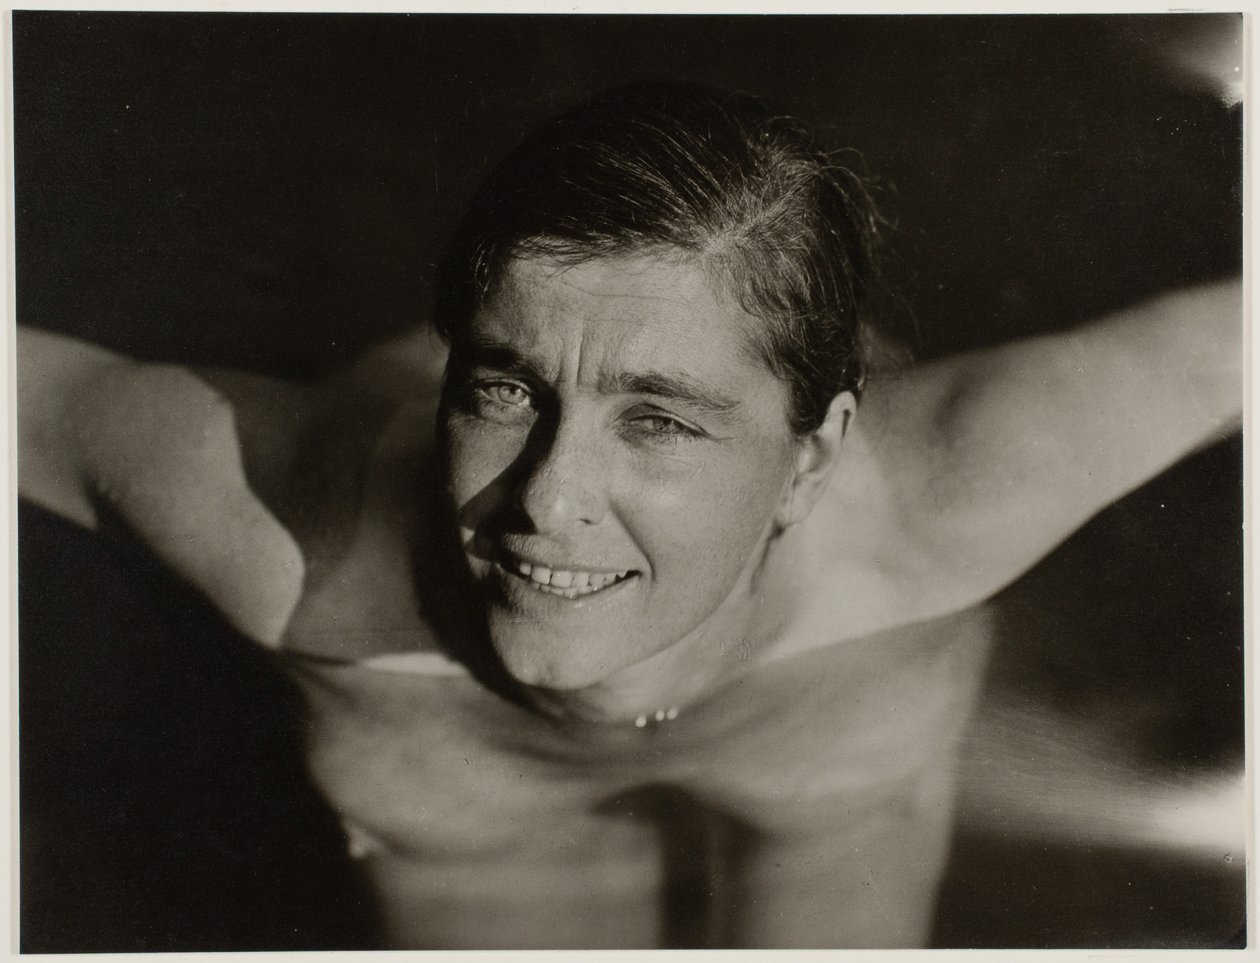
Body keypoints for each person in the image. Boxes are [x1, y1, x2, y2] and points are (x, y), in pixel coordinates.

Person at [17, 82, 1241, 949]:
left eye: (658, 421)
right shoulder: (283, 524)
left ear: (811, 461)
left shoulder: (954, 492)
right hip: (464, 785)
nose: (547, 499)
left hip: (831, 738)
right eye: (502, 391)